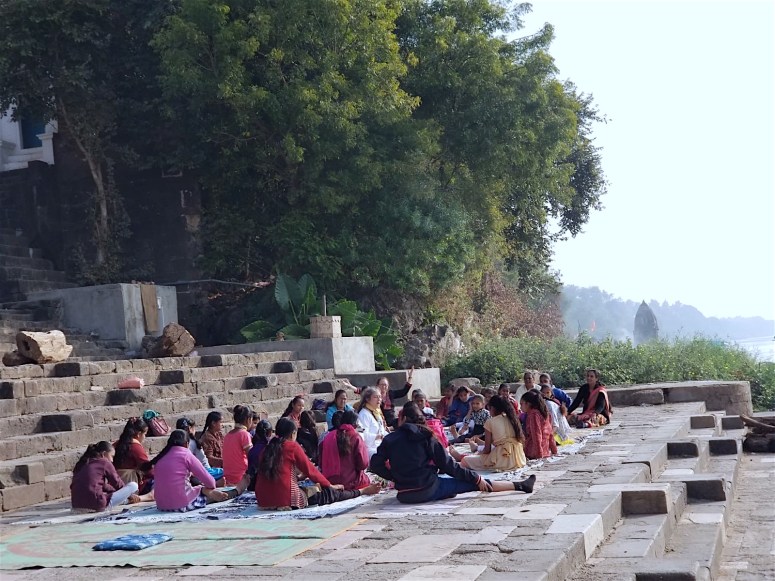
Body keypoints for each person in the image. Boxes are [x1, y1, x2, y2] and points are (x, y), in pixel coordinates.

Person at [370, 402, 536, 504]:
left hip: (404, 494)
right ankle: (519, 485)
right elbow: (448, 465)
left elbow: (375, 465)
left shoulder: (390, 439)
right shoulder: (427, 436)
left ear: (403, 419)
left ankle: (448, 492)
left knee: (451, 487)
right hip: (428, 488)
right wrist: (475, 478)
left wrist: (395, 477)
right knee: (474, 483)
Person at [255, 418, 380, 510]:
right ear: (293, 433)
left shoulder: (267, 448)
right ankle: (362, 491)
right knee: (330, 494)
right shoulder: (291, 446)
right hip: (284, 499)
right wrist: (330, 485)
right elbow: (311, 471)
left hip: (262, 499)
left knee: (311, 489)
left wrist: (299, 477)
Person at [147, 430, 232, 512]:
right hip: (181, 504)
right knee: (223, 493)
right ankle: (214, 492)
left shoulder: (161, 457)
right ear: (186, 444)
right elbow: (210, 482)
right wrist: (214, 484)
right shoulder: (186, 454)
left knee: (197, 487)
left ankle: (205, 491)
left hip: (162, 505)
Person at [449, 395, 527, 472]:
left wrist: (478, 454)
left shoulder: (490, 422)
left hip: (502, 459)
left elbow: (487, 450)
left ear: (492, 408)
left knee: (466, 460)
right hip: (519, 458)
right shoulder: (513, 419)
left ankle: (462, 457)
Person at [71, 441, 141, 511]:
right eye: (112, 456)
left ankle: (126, 500)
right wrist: (128, 494)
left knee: (108, 496)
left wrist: (115, 492)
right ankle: (128, 499)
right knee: (133, 485)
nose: (112, 460)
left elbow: (102, 485)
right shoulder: (104, 462)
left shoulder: (83, 463)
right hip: (97, 504)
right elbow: (117, 482)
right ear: (104, 454)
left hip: (76, 505)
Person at [318, 410, 371, 490]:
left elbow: (320, 463)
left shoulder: (328, 437)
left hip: (329, 482)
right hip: (350, 482)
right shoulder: (356, 437)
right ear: (355, 424)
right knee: (367, 480)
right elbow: (363, 464)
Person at [344, 368, 414, 428]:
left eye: (385, 385)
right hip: (379, 419)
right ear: (377, 385)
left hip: (392, 421)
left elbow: (403, 392)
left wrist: (410, 377)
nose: (384, 387)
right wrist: (350, 386)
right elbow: (362, 391)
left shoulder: (391, 394)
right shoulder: (373, 394)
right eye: (382, 385)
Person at [113, 417, 154, 496]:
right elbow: (147, 468)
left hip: (117, 482)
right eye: (144, 434)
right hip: (132, 483)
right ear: (139, 434)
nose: (144, 437)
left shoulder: (116, 444)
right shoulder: (135, 447)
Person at [520, 390, 557, 459]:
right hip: (545, 451)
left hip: (534, 452)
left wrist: (539, 455)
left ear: (528, 404)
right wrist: (554, 451)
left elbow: (536, 436)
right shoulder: (545, 413)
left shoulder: (533, 414)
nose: (520, 407)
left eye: (521, 404)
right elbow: (550, 434)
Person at [222, 405, 253, 485]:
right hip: (241, 478)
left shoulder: (228, 435)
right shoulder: (244, 434)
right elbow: (251, 456)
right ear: (248, 419)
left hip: (228, 477)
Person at [356, 387, 389, 458]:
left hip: (380, 445)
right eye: (375, 397)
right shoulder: (363, 414)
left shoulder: (376, 412)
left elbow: (382, 431)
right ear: (367, 399)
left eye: (380, 397)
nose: (379, 399)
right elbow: (362, 434)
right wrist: (377, 436)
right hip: (370, 449)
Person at [247, 419, 273, 490]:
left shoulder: (252, 451)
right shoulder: (271, 449)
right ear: (270, 433)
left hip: (253, 486)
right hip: (268, 486)